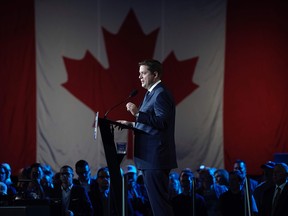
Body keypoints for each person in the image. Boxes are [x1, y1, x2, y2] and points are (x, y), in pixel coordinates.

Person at [119, 59, 178, 216]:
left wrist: (138, 113)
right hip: (149, 159)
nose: (140, 77)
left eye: (143, 73)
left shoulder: (161, 94)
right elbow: (151, 125)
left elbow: (162, 123)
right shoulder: (150, 93)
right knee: (157, 206)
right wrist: (131, 124)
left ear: (155, 74)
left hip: (155, 159)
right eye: (139, 73)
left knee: (160, 207)